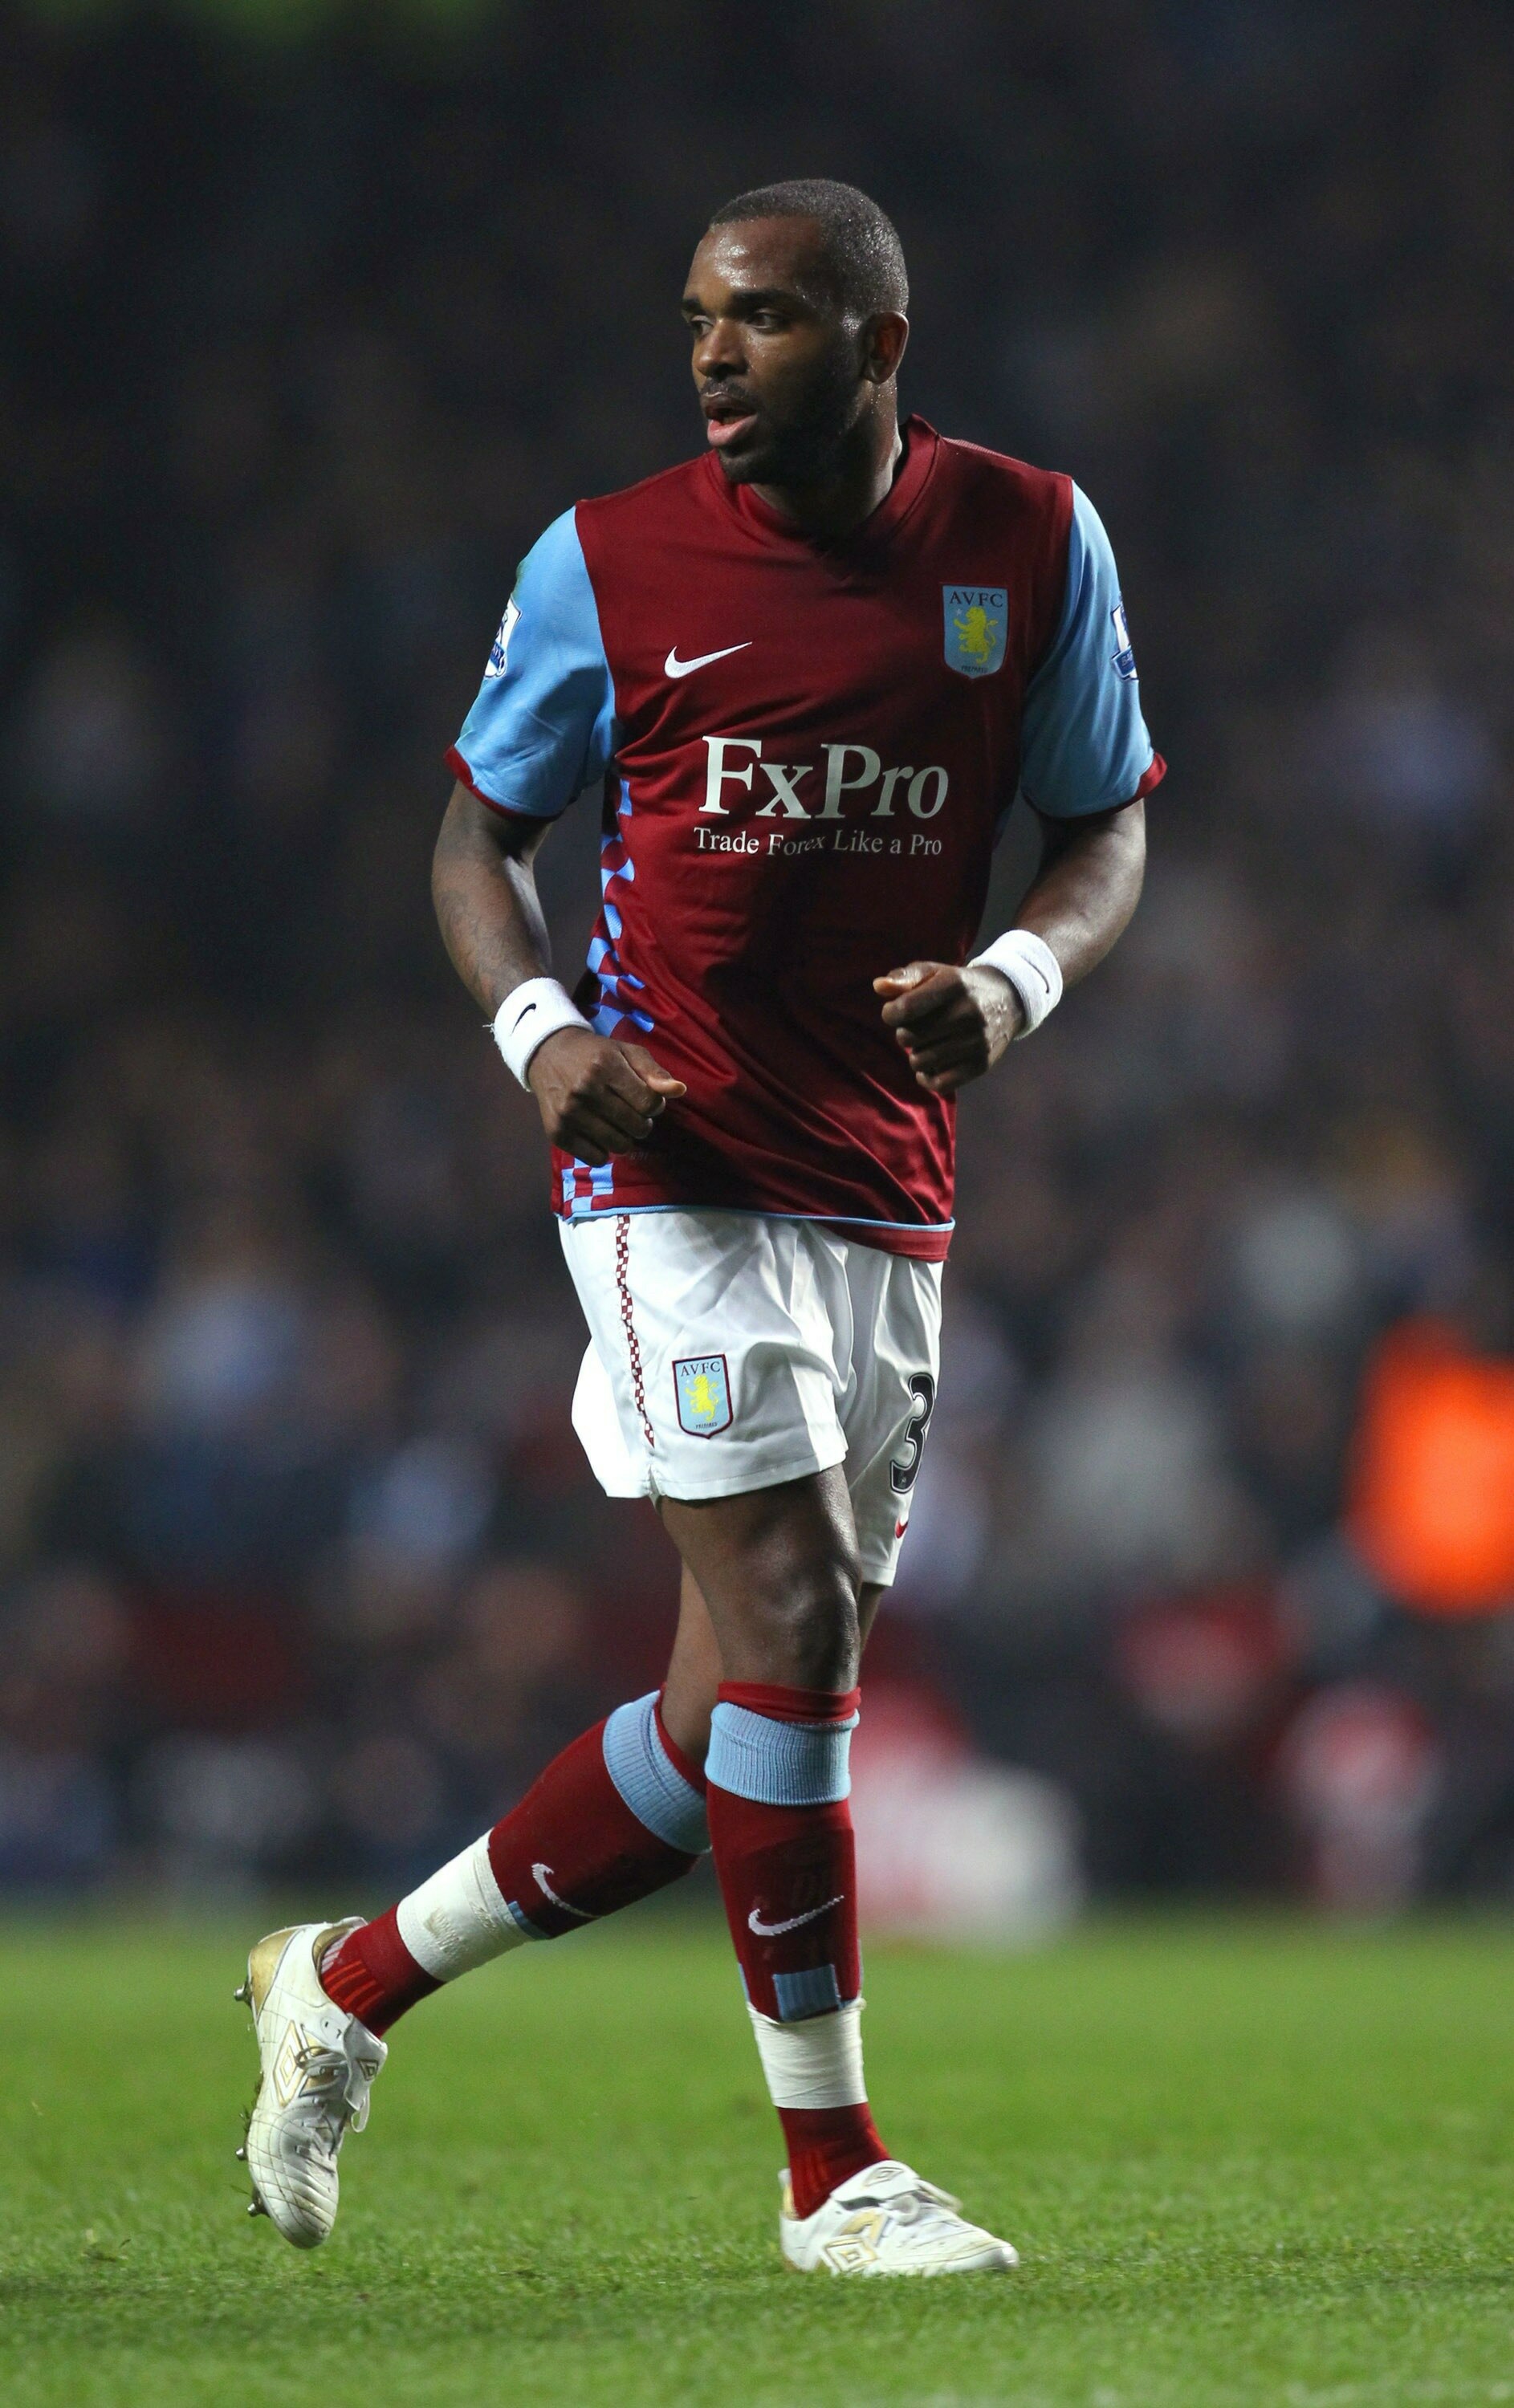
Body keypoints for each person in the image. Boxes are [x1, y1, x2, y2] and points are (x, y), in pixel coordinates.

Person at [236, 177, 1160, 2277]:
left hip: (885, 1179)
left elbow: (1104, 820)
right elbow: (479, 838)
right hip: (667, 1163)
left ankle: (344, 1989)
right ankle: (837, 2180)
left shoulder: (1031, 541)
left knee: (720, 1721)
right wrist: (540, 1031)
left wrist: (1014, 982)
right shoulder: (606, 559)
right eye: (697, 322)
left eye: (762, 319)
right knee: (796, 1626)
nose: (716, 358)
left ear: (880, 342)